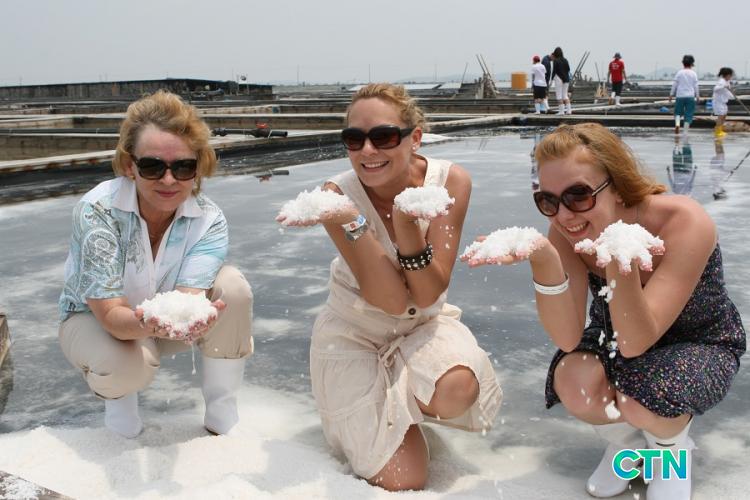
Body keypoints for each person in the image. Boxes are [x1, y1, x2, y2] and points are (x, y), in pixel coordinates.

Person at [466, 123, 745, 499]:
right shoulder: (565, 232)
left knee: (640, 401)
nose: (565, 215)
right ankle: (628, 449)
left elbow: (636, 342)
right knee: (574, 382)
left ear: (616, 184)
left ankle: (671, 452)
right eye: (548, 201)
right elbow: (567, 337)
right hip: (614, 333)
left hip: (698, 341)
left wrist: (618, 256)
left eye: (578, 195)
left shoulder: (683, 221)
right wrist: (545, 260)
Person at [280, 83, 501, 491]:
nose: (367, 151)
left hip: (423, 326)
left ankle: (404, 403)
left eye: (383, 137)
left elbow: (427, 294)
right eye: (354, 139)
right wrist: (348, 218)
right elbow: (391, 299)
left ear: (414, 137)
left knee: (456, 388)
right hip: (354, 333)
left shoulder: (450, 182)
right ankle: (370, 411)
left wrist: (405, 225)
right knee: (404, 478)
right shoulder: (336, 197)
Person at [58, 90, 254, 438]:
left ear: (198, 167)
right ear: (129, 166)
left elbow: (187, 298)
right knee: (126, 366)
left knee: (233, 287)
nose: (168, 180)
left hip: (161, 321)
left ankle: (222, 414)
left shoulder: (209, 219)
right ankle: (121, 416)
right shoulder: (98, 210)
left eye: (183, 167)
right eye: (152, 166)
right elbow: (111, 316)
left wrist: (185, 317)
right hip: (96, 322)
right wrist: (151, 324)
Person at [669, 55, 701, 134]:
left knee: (677, 112)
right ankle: (685, 132)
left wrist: (671, 94)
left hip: (680, 95)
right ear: (692, 64)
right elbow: (696, 86)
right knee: (689, 113)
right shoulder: (693, 73)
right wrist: (697, 96)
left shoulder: (679, 73)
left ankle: (677, 124)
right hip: (690, 96)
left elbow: (674, 84)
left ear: (683, 63)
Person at [712, 67, 735, 138]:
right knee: (721, 116)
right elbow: (715, 89)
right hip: (718, 102)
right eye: (730, 75)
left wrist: (732, 96)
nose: (731, 77)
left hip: (723, 102)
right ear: (727, 75)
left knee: (724, 115)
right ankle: (717, 132)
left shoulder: (727, 82)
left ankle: (720, 130)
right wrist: (723, 86)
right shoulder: (721, 81)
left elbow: (727, 92)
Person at [552, 47, 572, 115]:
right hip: (566, 79)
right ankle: (569, 111)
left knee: (559, 96)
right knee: (565, 95)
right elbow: (568, 69)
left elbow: (554, 70)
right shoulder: (565, 60)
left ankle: (561, 111)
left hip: (559, 78)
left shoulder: (555, 60)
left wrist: (552, 78)